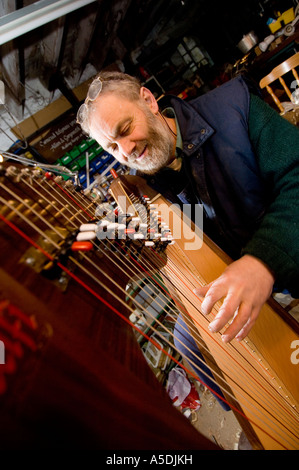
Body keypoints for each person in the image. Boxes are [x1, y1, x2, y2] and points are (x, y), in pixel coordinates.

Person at [76, 71, 299, 399]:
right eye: (112, 147)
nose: (125, 150)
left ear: (149, 101)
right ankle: (264, 420)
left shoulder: (233, 109)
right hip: (240, 269)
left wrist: (262, 261)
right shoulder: (153, 183)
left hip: (286, 242)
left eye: (125, 129)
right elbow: (197, 237)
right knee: (188, 340)